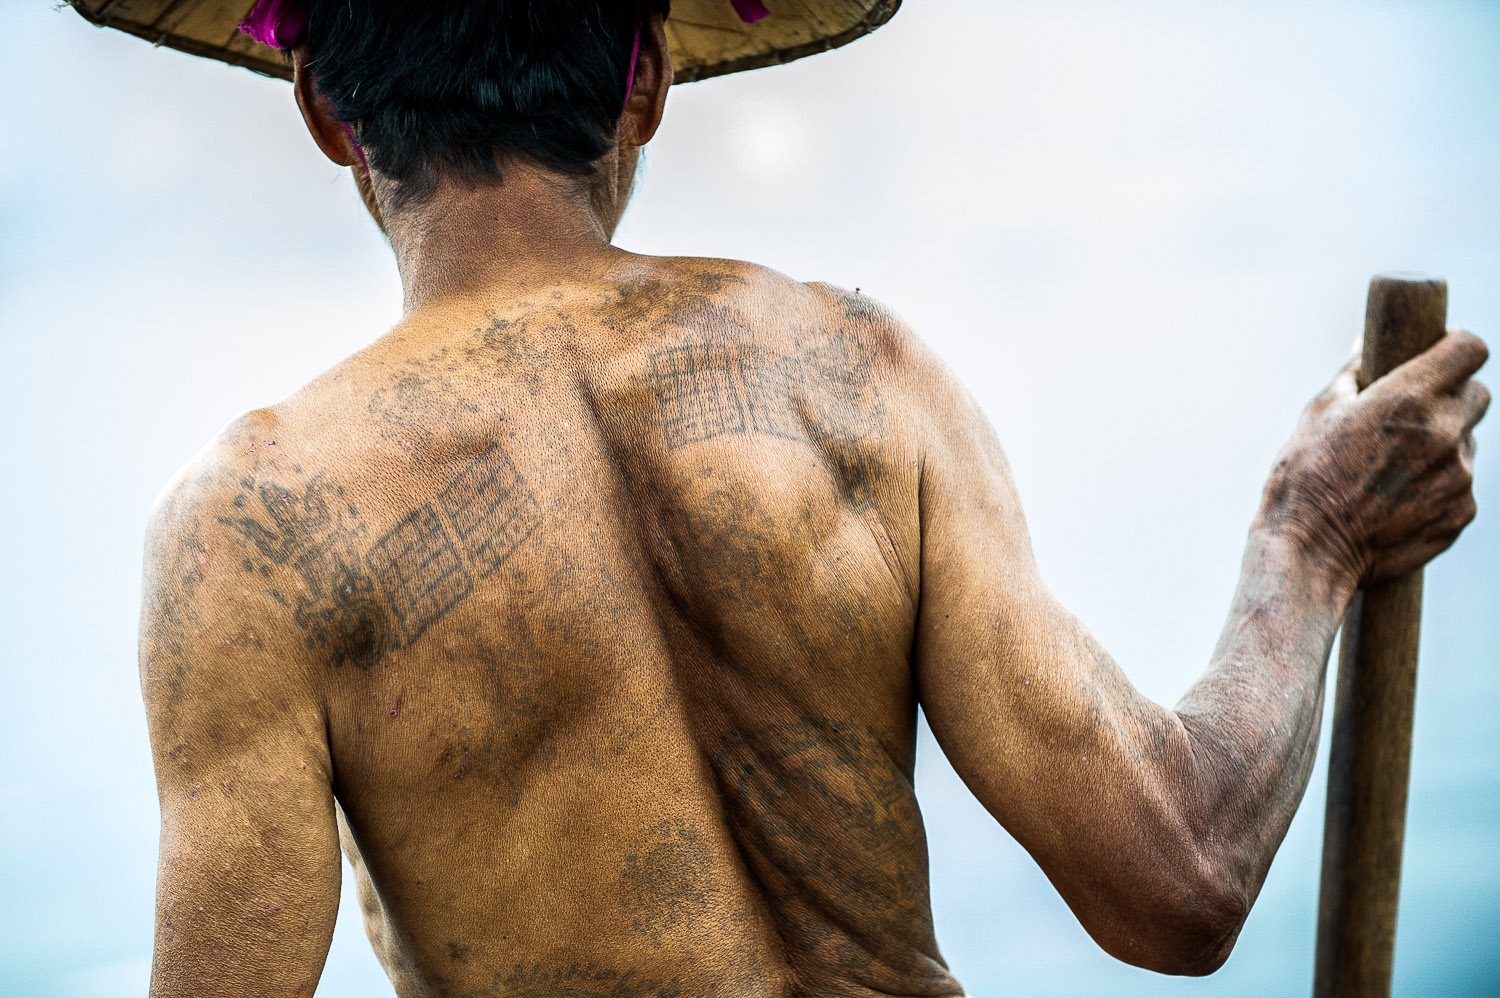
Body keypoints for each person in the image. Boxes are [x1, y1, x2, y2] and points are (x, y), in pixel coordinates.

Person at [129, 2, 1489, 996]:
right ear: (646, 79)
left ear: (323, 111)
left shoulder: (258, 529)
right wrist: (1312, 535)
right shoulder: (855, 373)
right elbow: (1179, 876)